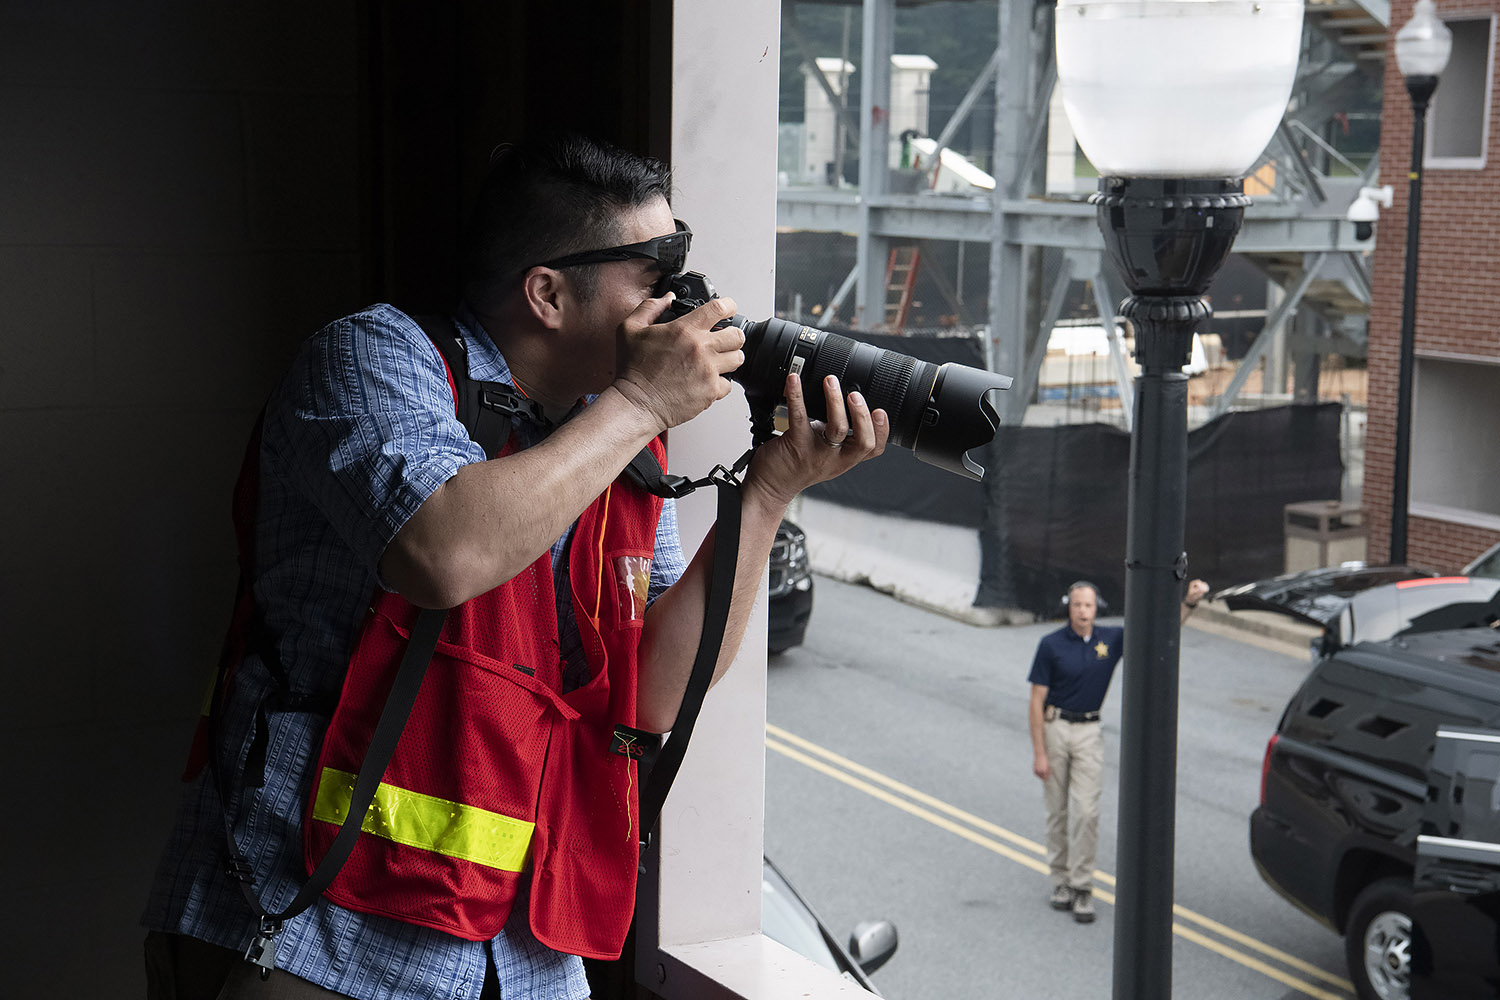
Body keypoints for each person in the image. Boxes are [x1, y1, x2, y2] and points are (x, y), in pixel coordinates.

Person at [141, 133, 890, 1000]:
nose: (682, 304)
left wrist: (766, 494)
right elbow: (443, 551)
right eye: (654, 274)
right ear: (547, 293)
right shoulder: (370, 360)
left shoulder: (614, 441)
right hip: (312, 931)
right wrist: (638, 401)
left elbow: (652, 697)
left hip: (521, 952)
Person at [1026, 577, 1209, 924]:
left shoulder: (1110, 640)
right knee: (1058, 813)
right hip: (1055, 729)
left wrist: (1189, 603)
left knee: (1086, 812)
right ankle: (1060, 881)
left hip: (1089, 731)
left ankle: (1082, 886)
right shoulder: (1050, 645)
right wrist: (1039, 752)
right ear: (1069, 606)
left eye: (1089, 606)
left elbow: (1158, 634)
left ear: (1098, 609)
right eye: (1077, 605)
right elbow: (1036, 701)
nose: (1083, 611)